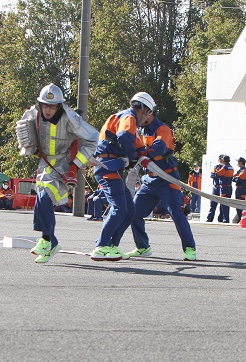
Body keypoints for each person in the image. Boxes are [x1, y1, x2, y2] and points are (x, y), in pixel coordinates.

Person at [15, 83, 99, 263]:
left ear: (59, 106)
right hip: (44, 164)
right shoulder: (33, 114)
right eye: (45, 105)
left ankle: (48, 241)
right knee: (40, 199)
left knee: (45, 197)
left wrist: (75, 165)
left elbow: (93, 138)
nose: (47, 109)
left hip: (63, 164)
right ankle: (48, 241)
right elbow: (23, 132)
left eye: (52, 106)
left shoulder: (70, 118)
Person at [90, 92, 154, 261]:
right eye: (148, 113)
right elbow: (124, 137)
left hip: (112, 167)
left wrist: (143, 155)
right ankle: (102, 246)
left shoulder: (126, 119)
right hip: (108, 166)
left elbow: (136, 144)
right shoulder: (129, 117)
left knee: (130, 210)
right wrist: (132, 157)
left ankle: (111, 245)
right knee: (119, 208)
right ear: (144, 109)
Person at [128, 108, 198, 261]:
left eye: (140, 112)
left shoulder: (163, 129)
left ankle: (189, 249)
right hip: (150, 180)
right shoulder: (140, 130)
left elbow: (159, 147)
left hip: (167, 179)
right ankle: (142, 247)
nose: (137, 116)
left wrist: (143, 154)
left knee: (177, 213)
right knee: (133, 213)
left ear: (149, 113)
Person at [215, 154, 234, 223]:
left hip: (224, 187)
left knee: (223, 204)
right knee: (227, 203)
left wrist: (216, 171)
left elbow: (217, 174)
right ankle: (224, 218)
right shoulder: (231, 167)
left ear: (224, 160)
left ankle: (225, 219)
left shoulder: (225, 167)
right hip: (229, 187)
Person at [206, 155, 224, 222]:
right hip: (215, 187)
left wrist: (217, 175)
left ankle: (221, 219)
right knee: (212, 204)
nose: (221, 160)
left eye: (222, 159)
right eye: (220, 159)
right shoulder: (216, 167)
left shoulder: (225, 167)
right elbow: (212, 175)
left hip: (221, 188)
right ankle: (209, 219)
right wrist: (218, 175)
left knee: (222, 205)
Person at [232, 157, 246, 223]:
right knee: (237, 205)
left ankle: (242, 219)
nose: (238, 163)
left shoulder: (244, 171)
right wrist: (236, 178)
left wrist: (236, 178)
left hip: (242, 189)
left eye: (239, 162)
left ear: (241, 162)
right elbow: (233, 179)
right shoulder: (240, 171)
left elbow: (238, 179)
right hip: (238, 189)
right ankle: (240, 219)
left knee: (241, 205)